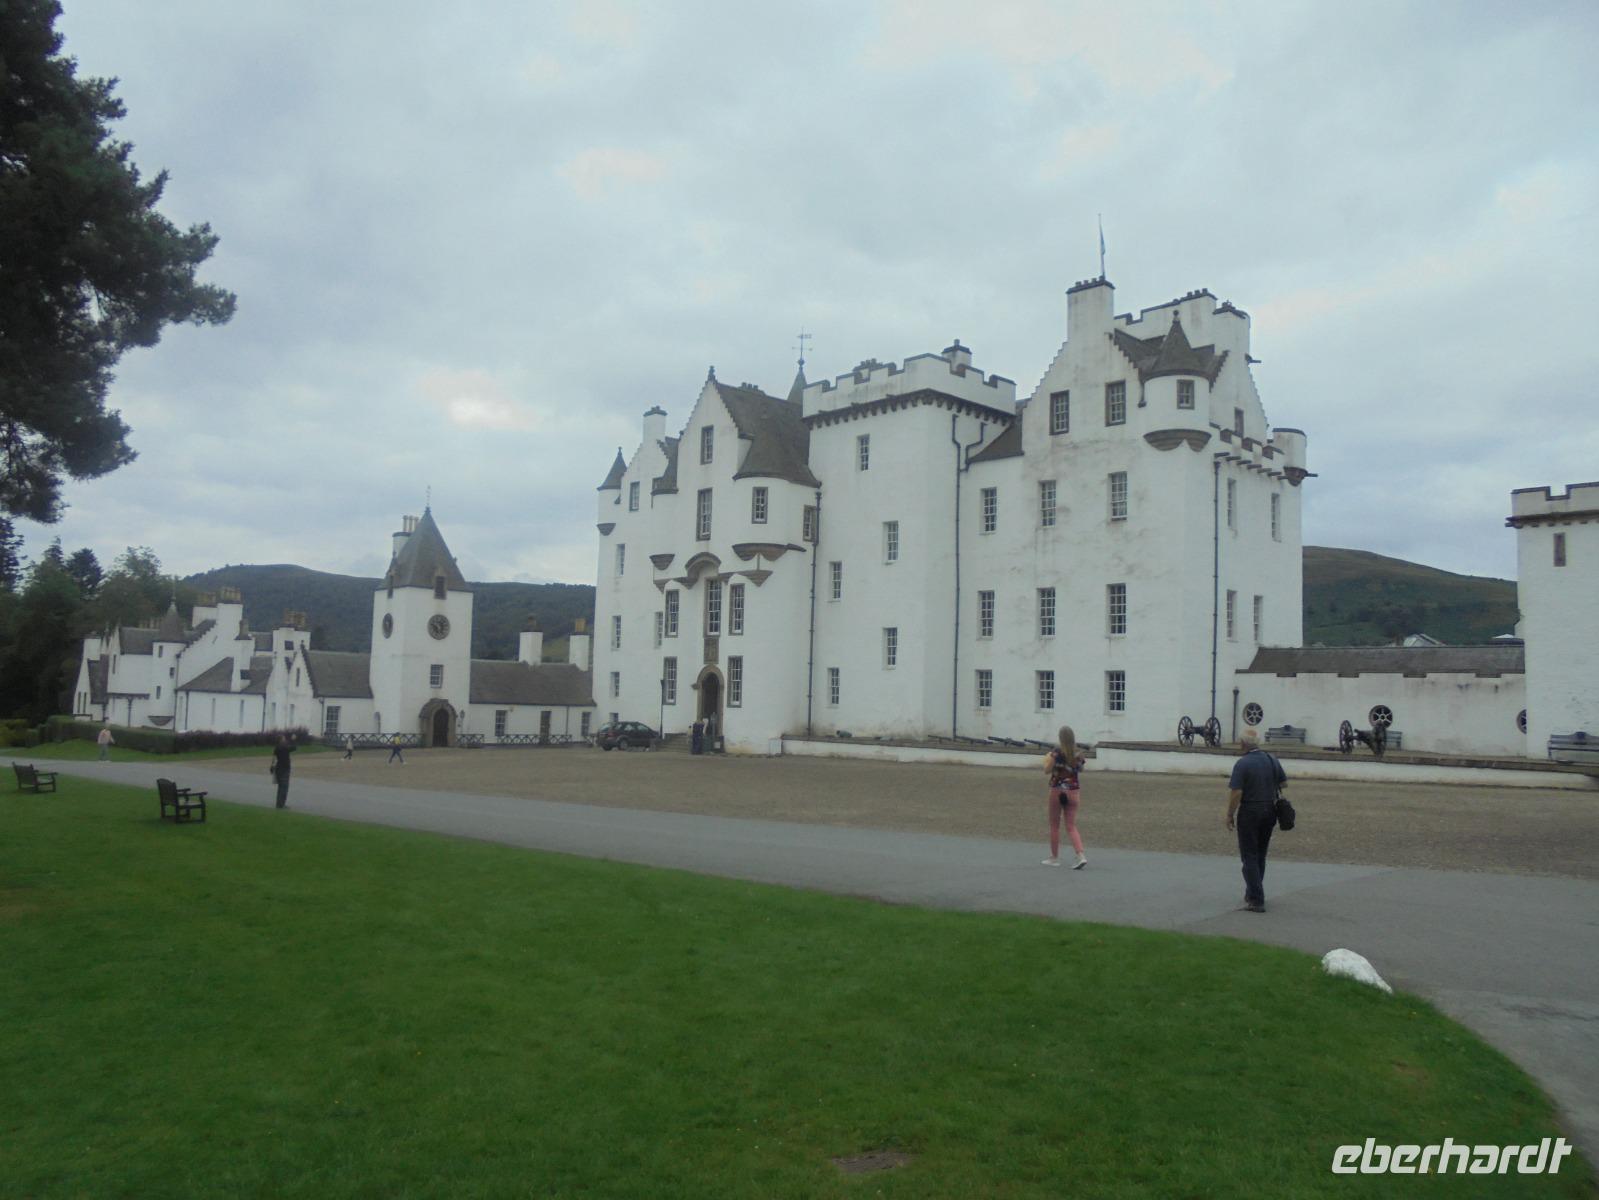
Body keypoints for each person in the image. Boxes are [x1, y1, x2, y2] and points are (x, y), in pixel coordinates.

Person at [1227, 726, 1286, 912]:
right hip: (1269, 809)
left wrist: (1229, 814)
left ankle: (1256, 899)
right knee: (1260, 853)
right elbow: (1284, 783)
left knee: (1249, 855)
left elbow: (1236, 792)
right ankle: (1253, 891)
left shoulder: (1242, 764)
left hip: (1250, 810)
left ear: (1243, 743)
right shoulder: (1272, 759)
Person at [1041, 724, 1088, 869]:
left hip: (1057, 790)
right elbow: (1081, 769)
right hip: (1073, 791)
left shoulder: (1056, 753)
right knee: (1071, 826)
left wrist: (1050, 761)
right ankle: (1080, 855)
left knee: (1054, 825)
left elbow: (1047, 771)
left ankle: (1054, 857)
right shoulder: (1078, 754)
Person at [269, 735, 296, 809]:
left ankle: (279, 803)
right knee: (284, 787)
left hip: (278, 769)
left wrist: (271, 766)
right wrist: (293, 740)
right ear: (281, 740)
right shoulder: (284, 747)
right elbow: (294, 748)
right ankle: (281, 805)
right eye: (284, 738)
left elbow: (274, 758)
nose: (285, 740)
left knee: (280, 787)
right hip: (285, 769)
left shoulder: (277, 747)